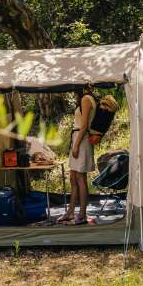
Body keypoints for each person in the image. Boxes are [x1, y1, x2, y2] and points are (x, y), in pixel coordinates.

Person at [60, 84, 97, 225]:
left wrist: (76, 145)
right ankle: (70, 212)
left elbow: (84, 126)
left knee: (80, 177)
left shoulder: (86, 99)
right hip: (77, 138)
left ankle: (81, 215)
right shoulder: (85, 98)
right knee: (73, 177)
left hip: (81, 140)